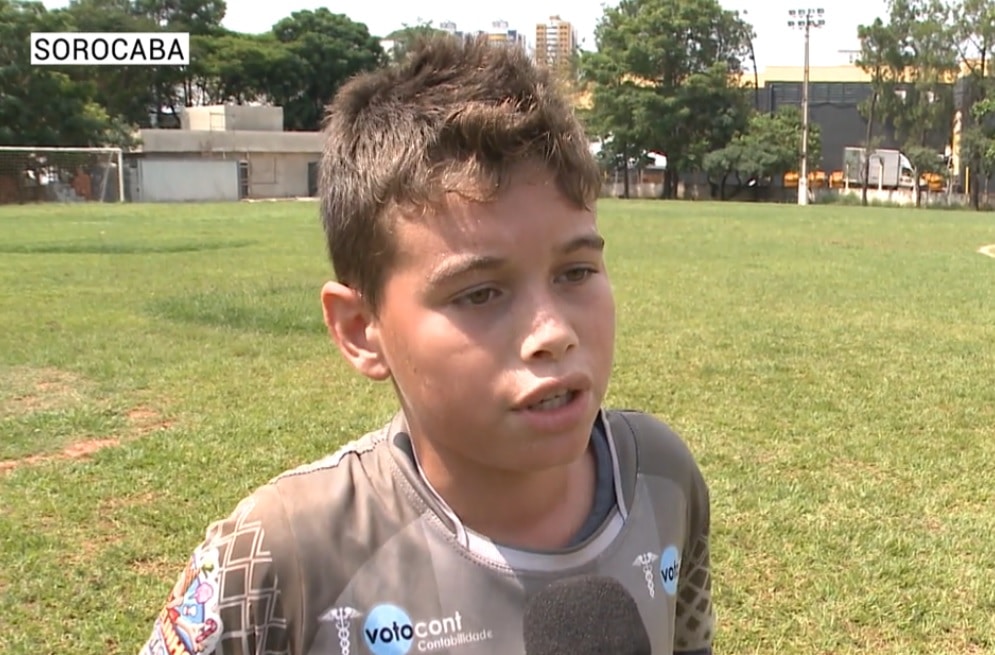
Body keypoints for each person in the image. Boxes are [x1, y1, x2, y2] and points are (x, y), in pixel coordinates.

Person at [138, 34, 714, 655]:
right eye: (480, 294)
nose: (554, 333)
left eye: (575, 273)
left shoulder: (660, 474)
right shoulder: (282, 551)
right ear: (362, 330)